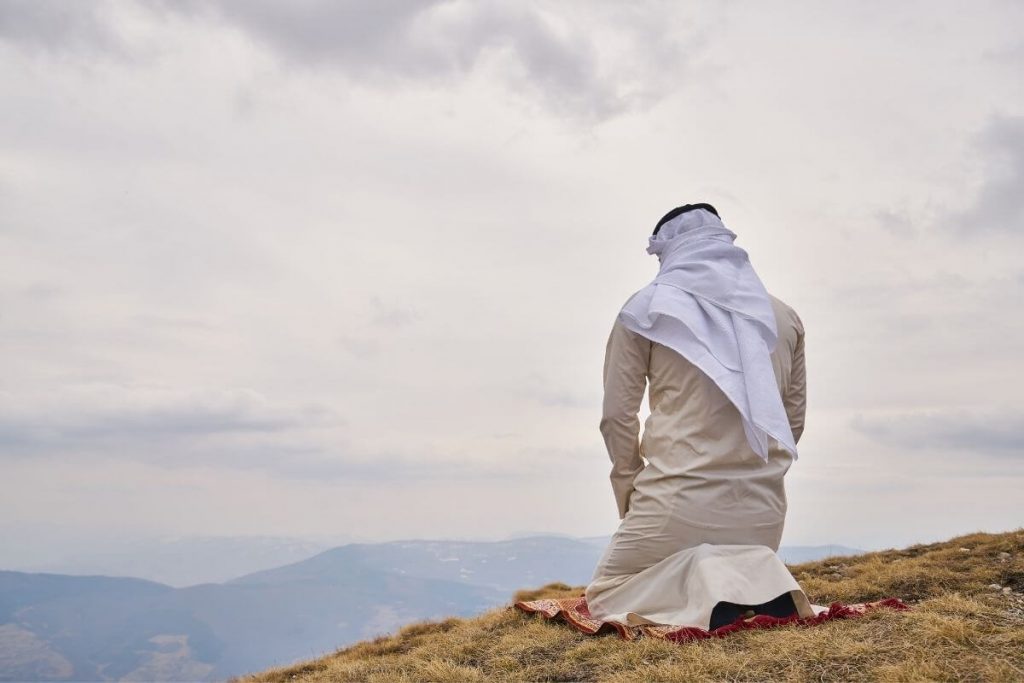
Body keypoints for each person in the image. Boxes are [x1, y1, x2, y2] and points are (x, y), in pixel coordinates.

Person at [584, 203, 820, 631]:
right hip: (763, 511)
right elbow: (792, 420)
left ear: (669, 252)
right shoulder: (784, 317)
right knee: (743, 553)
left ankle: (711, 588)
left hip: (675, 501)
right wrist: (758, 471)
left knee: (605, 593)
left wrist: (630, 488)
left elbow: (617, 417)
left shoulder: (644, 310)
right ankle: (758, 585)